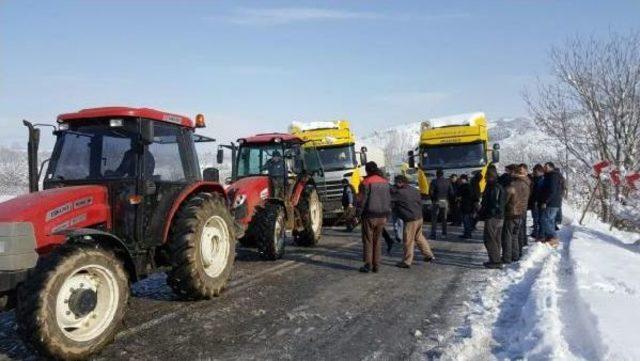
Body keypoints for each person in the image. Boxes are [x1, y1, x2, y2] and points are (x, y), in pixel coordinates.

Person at [392, 175, 435, 268]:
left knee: (408, 240)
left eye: (396, 182)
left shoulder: (399, 193)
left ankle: (407, 261)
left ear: (401, 182)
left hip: (410, 219)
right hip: (419, 217)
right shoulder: (414, 189)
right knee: (419, 237)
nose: (395, 184)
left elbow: (390, 199)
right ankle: (429, 255)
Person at [357, 161, 391, 273]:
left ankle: (368, 264)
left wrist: (358, 214)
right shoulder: (385, 182)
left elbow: (362, 201)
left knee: (368, 240)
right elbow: (388, 199)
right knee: (377, 240)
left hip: (369, 216)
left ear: (367, 170)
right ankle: (376, 265)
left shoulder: (365, 182)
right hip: (383, 216)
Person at [501, 165, 531, 263]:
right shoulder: (527, 183)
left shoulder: (513, 185)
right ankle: (516, 255)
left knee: (507, 236)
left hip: (511, 213)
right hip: (521, 212)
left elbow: (504, 200)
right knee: (515, 236)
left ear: (516, 173)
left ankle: (507, 257)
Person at [478, 169, 506, 269]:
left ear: (491, 177)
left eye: (486, 177)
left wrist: (488, 213)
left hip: (493, 217)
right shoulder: (497, 186)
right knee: (496, 239)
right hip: (500, 217)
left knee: (489, 239)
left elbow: (494, 204)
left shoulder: (494, 187)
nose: (485, 178)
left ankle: (495, 261)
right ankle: (495, 259)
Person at [538, 162, 563, 247]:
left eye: (545, 167)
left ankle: (554, 237)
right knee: (550, 221)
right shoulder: (554, 176)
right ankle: (551, 238)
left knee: (545, 220)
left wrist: (545, 201)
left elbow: (552, 191)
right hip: (555, 202)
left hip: (551, 203)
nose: (544, 168)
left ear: (550, 167)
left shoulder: (552, 176)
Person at [429, 168, 454, 239]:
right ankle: (444, 233)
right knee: (444, 218)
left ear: (436, 174)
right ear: (443, 174)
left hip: (436, 201)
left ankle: (433, 234)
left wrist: (433, 200)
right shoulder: (447, 181)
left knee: (434, 218)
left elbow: (431, 192)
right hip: (444, 200)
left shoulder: (434, 181)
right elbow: (451, 193)